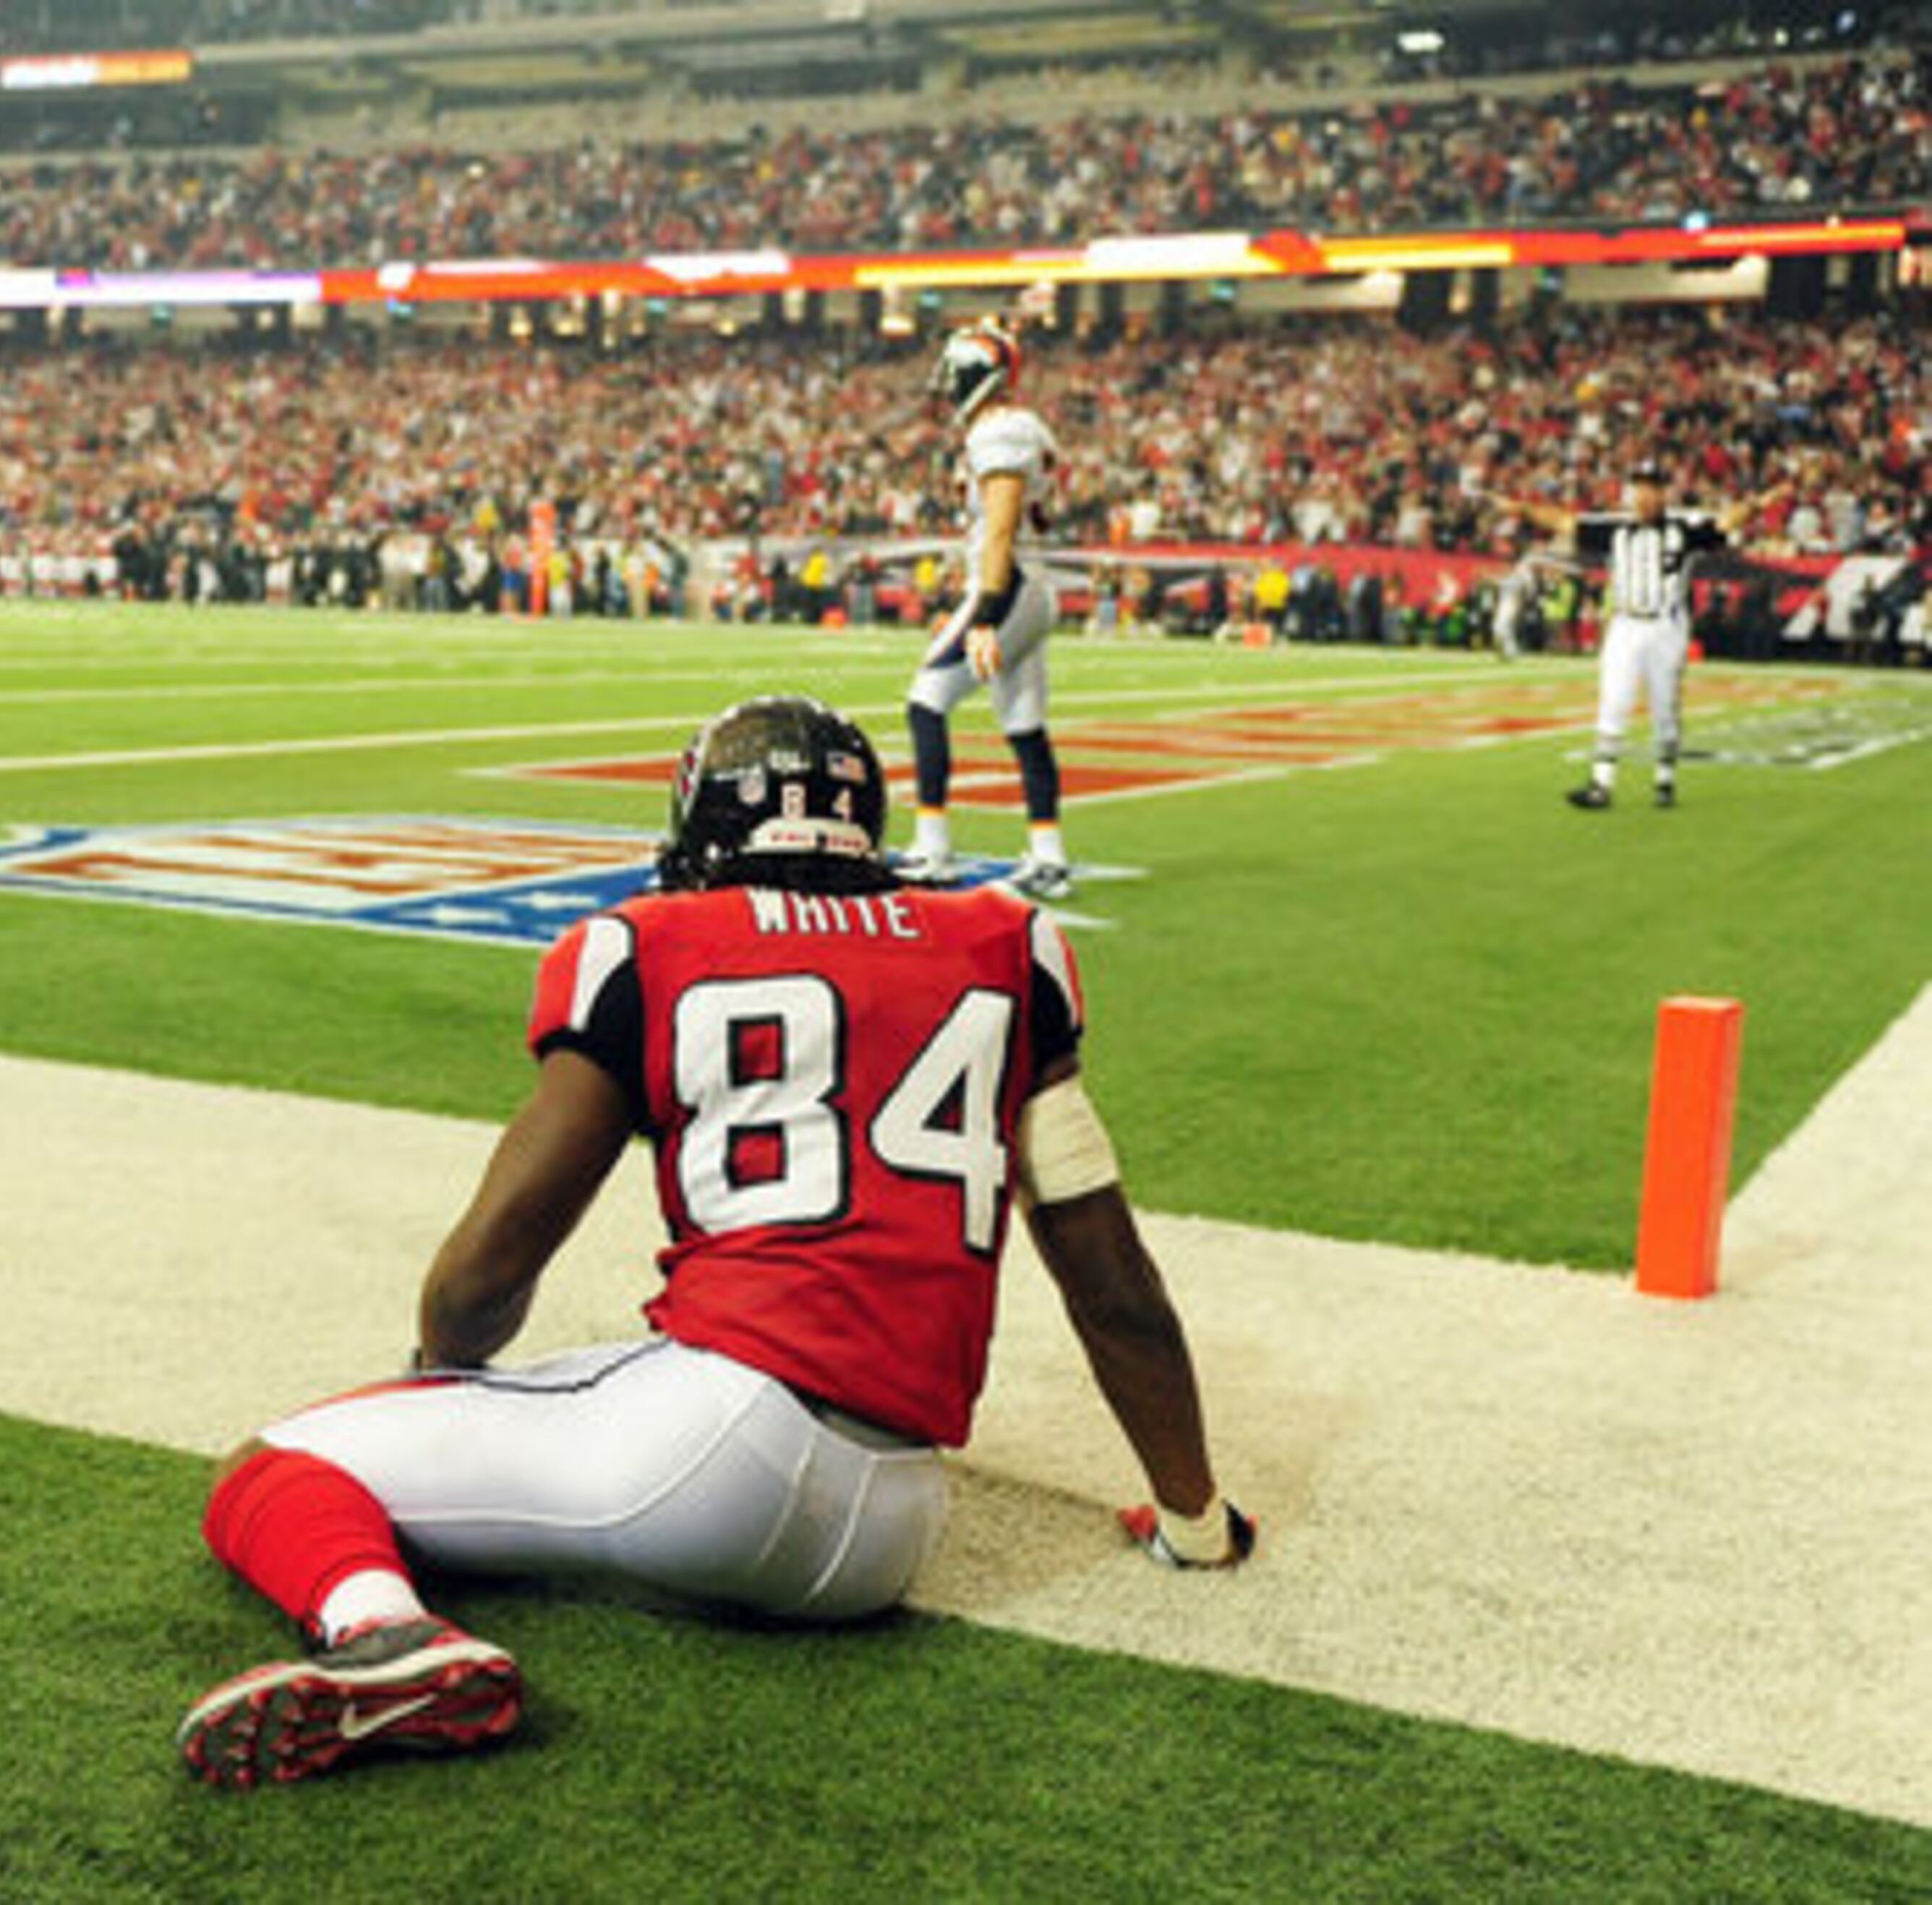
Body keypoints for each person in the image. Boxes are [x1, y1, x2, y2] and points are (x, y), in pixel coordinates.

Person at [175, 695, 1252, 1791]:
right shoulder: (1008, 945)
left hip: (710, 1458)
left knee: (278, 1466)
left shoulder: (650, 943)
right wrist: (1193, 1514)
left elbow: (487, 1272)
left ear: (703, 829)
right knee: (590, 1405)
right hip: (892, 1526)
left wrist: (439, 1371)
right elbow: (1111, 1280)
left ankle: (388, 1636)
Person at [895, 317, 1072, 899]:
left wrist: (987, 614)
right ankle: (1048, 855)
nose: (948, 385)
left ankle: (933, 848)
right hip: (1027, 582)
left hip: (1012, 585)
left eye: (957, 373)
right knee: (1023, 724)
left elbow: (1000, 530)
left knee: (926, 702)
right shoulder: (1021, 428)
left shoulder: (1001, 430)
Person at [1498, 458, 1781, 810]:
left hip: (1666, 625)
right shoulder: (1614, 529)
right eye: (1640, 488)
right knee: (1613, 700)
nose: (1645, 496)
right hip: (1626, 624)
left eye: (1653, 489)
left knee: (1665, 705)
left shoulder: (1684, 529)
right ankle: (1601, 784)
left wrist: (1759, 503)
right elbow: (1565, 522)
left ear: (1664, 494)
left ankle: (1665, 778)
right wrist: (1523, 508)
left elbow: (1726, 522)